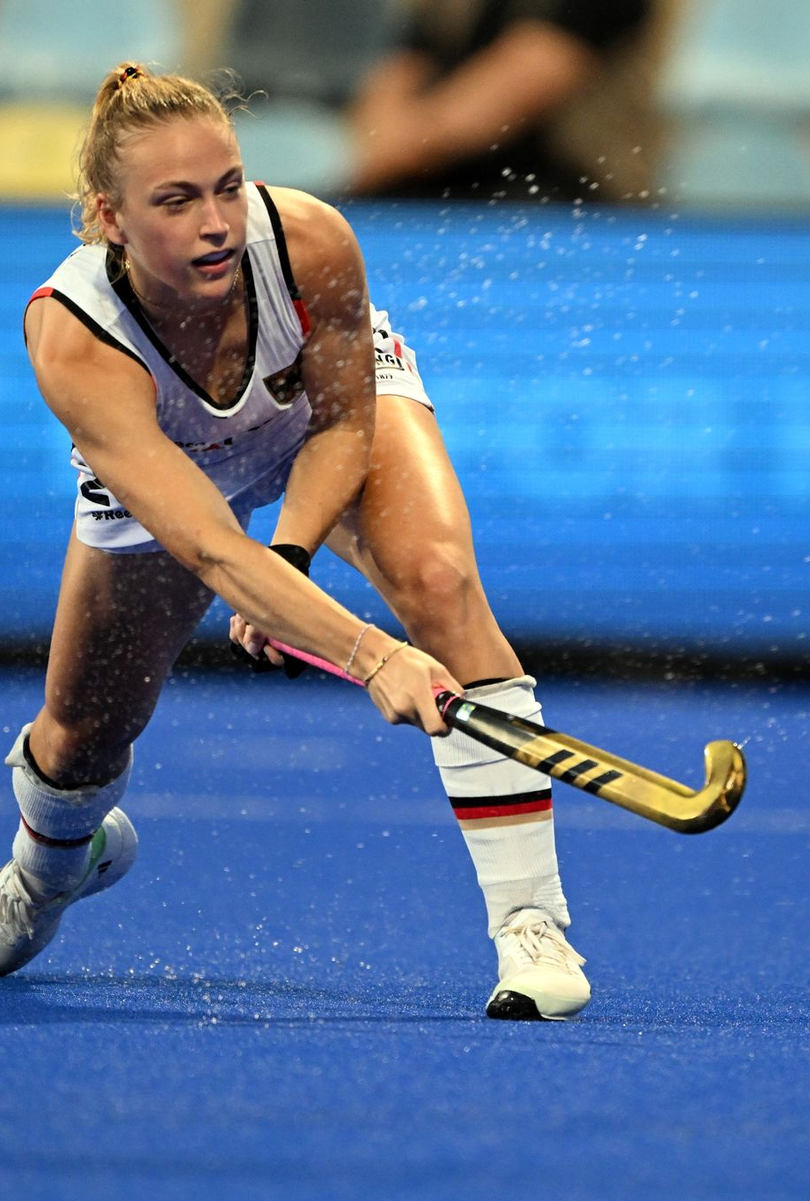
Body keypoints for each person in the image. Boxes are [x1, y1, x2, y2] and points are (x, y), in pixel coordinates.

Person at [0, 62, 589, 1022]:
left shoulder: (309, 239)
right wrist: (372, 656)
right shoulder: (73, 336)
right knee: (78, 740)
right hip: (175, 469)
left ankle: (531, 923)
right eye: (177, 201)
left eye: (228, 186)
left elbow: (345, 427)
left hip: (309, 417)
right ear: (111, 218)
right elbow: (211, 549)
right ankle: (42, 877)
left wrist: (298, 557)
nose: (217, 223)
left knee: (438, 580)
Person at [349, 0, 652, 201]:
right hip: (436, 198)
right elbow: (401, 70)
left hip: (575, 211)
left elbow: (454, 127)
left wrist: (350, 164)